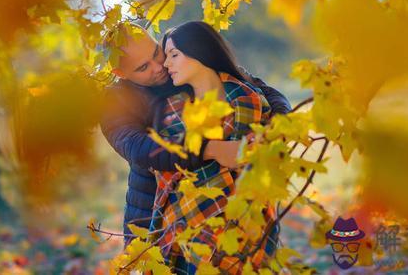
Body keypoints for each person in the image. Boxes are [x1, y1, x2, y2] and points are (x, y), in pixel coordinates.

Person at [99, 23, 291, 242]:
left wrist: (277, 126)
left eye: (156, 52)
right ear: (120, 73)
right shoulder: (116, 101)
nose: (159, 66)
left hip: (224, 200)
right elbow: (140, 149)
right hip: (152, 209)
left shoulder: (180, 60)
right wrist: (210, 149)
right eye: (143, 68)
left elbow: (264, 90)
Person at [148, 21, 281, 273]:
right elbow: (164, 165)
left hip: (248, 226)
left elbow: (263, 162)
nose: (166, 64)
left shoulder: (248, 99)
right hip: (184, 230)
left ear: (201, 51)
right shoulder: (171, 110)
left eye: (173, 55)